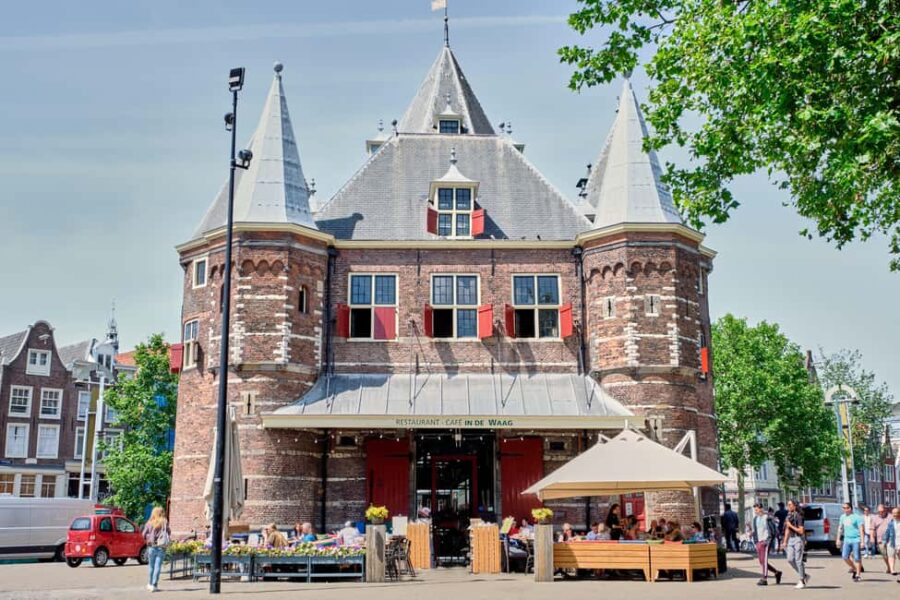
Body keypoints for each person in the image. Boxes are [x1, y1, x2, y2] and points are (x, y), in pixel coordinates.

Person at [751, 503, 783, 586]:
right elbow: (755, 530)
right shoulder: (755, 519)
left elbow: (774, 529)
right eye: (755, 510)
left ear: (761, 509)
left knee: (764, 560)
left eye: (757, 510)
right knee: (762, 561)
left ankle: (764, 578)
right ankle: (777, 573)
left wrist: (768, 540)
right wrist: (755, 539)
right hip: (759, 542)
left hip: (766, 541)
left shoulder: (767, 518)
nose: (756, 512)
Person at [141, 506, 170, 592]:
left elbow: (143, 534)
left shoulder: (149, 523)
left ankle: (150, 584)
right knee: (157, 567)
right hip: (161, 547)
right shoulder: (164, 522)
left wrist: (149, 537)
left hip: (151, 547)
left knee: (151, 567)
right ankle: (154, 585)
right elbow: (169, 532)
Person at [782, 499, 809, 589]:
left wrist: (790, 525)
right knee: (790, 559)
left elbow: (801, 531)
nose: (788, 506)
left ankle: (802, 580)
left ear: (795, 506)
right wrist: (785, 541)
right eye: (788, 505)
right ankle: (804, 575)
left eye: (790, 505)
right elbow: (787, 529)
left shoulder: (799, 516)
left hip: (798, 538)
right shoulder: (789, 516)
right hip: (791, 539)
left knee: (798, 560)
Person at [836, 502, 865, 582]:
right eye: (844, 508)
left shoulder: (857, 517)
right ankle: (854, 568)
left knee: (857, 558)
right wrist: (838, 539)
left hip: (856, 539)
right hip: (847, 539)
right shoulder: (842, 517)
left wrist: (862, 541)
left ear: (850, 508)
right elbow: (840, 528)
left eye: (847, 508)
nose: (845, 510)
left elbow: (861, 529)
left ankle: (858, 575)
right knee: (845, 556)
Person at [871, 504, 892, 574]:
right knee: (884, 555)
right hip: (880, 539)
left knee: (892, 554)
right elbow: (872, 529)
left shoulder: (891, 516)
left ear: (885, 510)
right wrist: (872, 537)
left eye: (882, 511)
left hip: (891, 539)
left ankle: (892, 568)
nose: (880, 513)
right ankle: (889, 567)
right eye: (879, 511)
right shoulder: (874, 518)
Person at [883, 507, 899, 578]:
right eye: (893, 513)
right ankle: (892, 570)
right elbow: (887, 532)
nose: (895, 514)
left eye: (896, 513)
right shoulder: (891, 523)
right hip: (892, 541)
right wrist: (885, 541)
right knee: (891, 555)